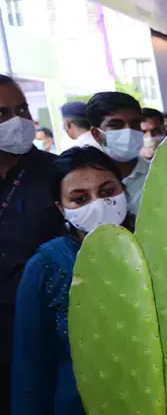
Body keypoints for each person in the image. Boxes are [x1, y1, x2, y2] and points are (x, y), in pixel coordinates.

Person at [12, 146, 132, 415]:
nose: (97, 204)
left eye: (107, 191)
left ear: (123, 189)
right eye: (80, 199)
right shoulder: (47, 266)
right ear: (61, 209)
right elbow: (31, 370)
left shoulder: (154, 250)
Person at [0, 74, 63, 414]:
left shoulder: (56, 173)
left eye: (22, 109)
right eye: (2, 114)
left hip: (47, 323)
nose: (18, 121)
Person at [85, 92, 148, 216]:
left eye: (135, 124)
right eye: (116, 125)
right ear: (96, 134)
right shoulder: (85, 180)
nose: (128, 131)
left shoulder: (159, 174)